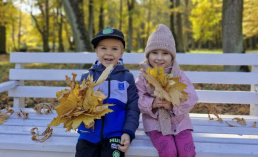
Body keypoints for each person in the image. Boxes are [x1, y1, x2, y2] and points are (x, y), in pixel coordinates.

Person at [135, 24, 199, 157]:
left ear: (172, 56)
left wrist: (173, 104)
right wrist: (152, 103)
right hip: (155, 123)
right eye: (154, 53)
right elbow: (137, 97)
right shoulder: (144, 76)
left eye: (165, 53)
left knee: (187, 152)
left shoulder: (178, 74)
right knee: (168, 151)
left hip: (180, 122)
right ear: (148, 55)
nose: (159, 58)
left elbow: (191, 97)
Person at [75, 27, 140, 157]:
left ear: (121, 53)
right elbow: (77, 106)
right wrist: (84, 120)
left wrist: (128, 132)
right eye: (103, 48)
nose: (108, 53)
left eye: (114, 49)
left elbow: (133, 108)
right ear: (96, 51)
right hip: (88, 134)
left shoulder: (126, 78)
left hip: (115, 134)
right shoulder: (87, 77)